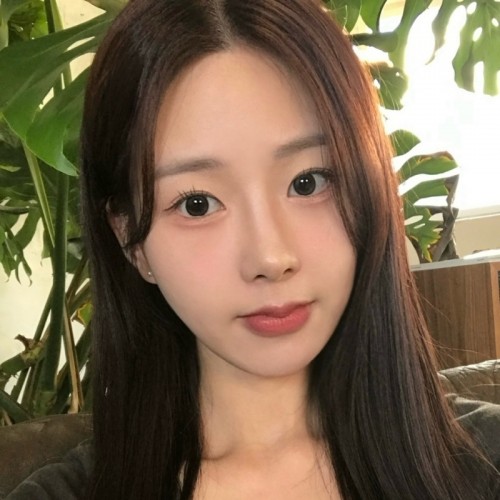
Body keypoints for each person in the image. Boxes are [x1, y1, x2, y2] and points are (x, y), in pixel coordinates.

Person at [7, 0, 500, 498]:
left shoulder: (486, 462)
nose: (270, 258)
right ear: (130, 241)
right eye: (197, 204)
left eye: (309, 182)